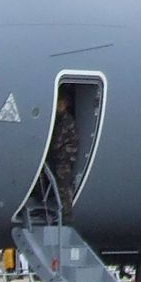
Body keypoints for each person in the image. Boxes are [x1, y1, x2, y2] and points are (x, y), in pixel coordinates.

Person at [46, 92, 80, 222]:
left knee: (63, 185)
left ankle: (66, 214)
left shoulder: (66, 121)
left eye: (60, 104)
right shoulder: (62, 120)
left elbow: (57, 142)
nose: (57, 107)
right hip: (62, 157)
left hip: (64, 158)